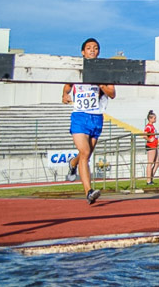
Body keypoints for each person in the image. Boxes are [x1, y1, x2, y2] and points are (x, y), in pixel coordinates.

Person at [62, 38, 116, 205]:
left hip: (96, 117)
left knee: (87, 153)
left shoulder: (103, 71)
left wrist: (100, 84)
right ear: (83, 52)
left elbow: (112, 93)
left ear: (98, 51)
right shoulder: (78, 69)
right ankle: (89, 192)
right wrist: (65, 94)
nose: (92, 50)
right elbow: (67, 85)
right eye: (88, 48)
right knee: (85, 153)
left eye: (95, 48)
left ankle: (73, 163)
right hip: (79, 116)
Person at [144, 110, 159, 185]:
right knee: (150, 163)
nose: (155, 119)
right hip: (151, 146)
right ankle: (148, 180)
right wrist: (149, 139)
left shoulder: (152, 126)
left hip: (155, 146)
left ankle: (151, 177)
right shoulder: (148, 126)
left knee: (157, 163)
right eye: (154, 118)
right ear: (150, 119)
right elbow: (144, 135)